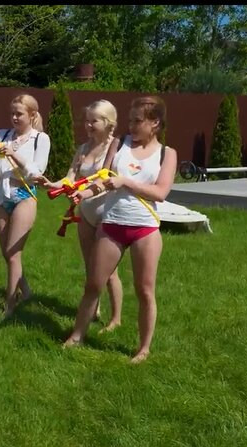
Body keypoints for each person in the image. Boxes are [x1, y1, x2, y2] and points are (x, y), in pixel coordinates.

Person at [63, 96, 177, 364]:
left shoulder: (166, 153)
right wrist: (84, 193)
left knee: (144, 290)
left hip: (144, 229)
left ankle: (143, 349)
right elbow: (103, 180)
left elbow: (161, 193)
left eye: (138, 121)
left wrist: (125, 181)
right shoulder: (119, 144)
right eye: (130, 120)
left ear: (155, 123)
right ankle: (77, 336)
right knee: (93, 283)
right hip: (112, 224)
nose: (131, 126)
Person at [38, 100, 123, 332]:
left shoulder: (115, 150)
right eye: (86, 120)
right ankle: (94, 309)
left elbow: (109, 181)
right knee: (90, 266)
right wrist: (51, 184)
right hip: (86, 213)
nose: (88, 125)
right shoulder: (83, 149)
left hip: (107, 214)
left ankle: (116, 319)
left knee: (109, 271)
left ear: (108, 123)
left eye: (93, 121)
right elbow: (70, 178)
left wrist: (84, 192)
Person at [0, 94, 50, 318]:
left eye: (19, 114)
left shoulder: (41, 139)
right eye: (11, 113)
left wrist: (14, 154)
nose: (13, 117)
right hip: (3, 195)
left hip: (25, 195)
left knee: (13, 253)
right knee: (7, 253)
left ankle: (10, 304)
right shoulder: (3, 135)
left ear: (32, 115)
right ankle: (26, 291)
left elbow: (37, 172)